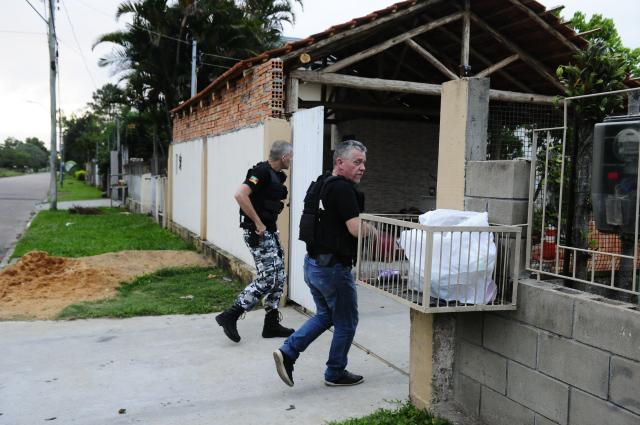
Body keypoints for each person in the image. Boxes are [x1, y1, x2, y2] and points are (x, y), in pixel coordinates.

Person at [273, 140, 377, 387]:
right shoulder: (343, 189)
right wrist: (374, 231)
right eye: (357, 162)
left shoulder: (322, 183)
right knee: (346, 321)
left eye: (364, 163)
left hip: (313, 265)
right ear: (340, 163)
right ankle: (335, 372)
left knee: (325, 315)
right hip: (333, 270)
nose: (362, 168)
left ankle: (288, 352)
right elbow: (355, 229)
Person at [215, 140, 295, 343]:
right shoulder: (260, 171)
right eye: (291, 157)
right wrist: (258, 222)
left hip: (270, 232)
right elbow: (240, 194)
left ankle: (271, 324)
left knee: (280, 276)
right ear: (284, 157)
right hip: (257, 232)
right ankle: (230, 315)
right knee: (267, 278)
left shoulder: (277, 175)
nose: (291, 161)